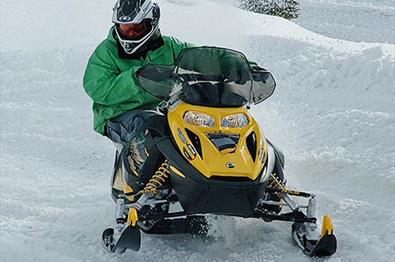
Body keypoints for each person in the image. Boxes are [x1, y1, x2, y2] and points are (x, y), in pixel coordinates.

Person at [83, 0, 193, 198]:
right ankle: (145, 187)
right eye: (125, 28)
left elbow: (202, 58)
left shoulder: (170, 47)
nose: (130, 34)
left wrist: (242, 67)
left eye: (137, 28)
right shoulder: (107, 52)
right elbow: (97, 88)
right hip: (117, 115)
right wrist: (138, 77)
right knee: (149, 126)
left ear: (151, 24)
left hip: (167, 111)